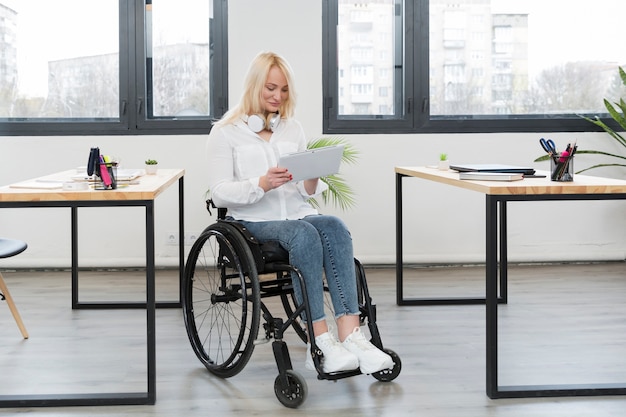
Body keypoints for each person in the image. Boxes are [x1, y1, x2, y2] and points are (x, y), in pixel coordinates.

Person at [206, 51, 393, 375]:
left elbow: (304, 192)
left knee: (334, 225)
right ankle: (319, 341)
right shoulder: (225, 132)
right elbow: (220, 190)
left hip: (296, 213)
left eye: (284, 90)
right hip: (253, 222)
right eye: (270, 88)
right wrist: (261, 183)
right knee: (304, 235)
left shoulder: (292, 128)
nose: (278, 96)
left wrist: (312, 175)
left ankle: (351, 336)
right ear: (254, 86)